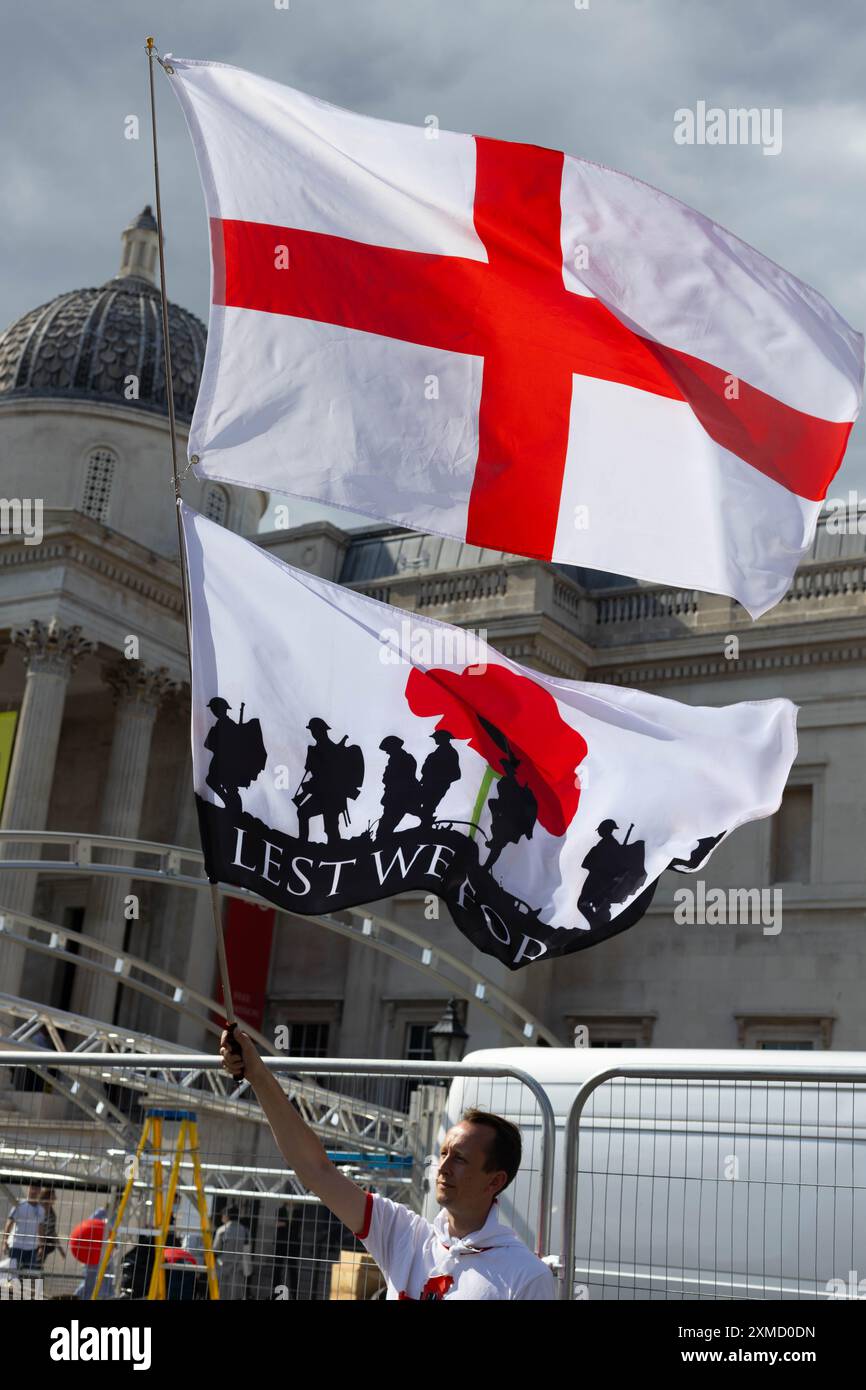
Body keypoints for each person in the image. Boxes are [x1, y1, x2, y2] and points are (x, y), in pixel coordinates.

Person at [219, 1029, 554, 1301]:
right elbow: (316, 1170)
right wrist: (259, 1076)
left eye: (461, 1158)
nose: (443, 1166)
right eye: (443, 1153)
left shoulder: (525, 1276)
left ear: (494, 1182)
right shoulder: (403, 1233)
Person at [418, 730, 461, 826]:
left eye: (437, 737)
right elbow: (425, 770)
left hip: (437, 787)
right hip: (428, 785)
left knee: (428, 807)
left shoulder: (450, 753)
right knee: (422, 806)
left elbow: (456, 774)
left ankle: (426, 825)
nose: (435, 739)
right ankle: (425, 823)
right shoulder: (435, 754)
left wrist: (439, 780)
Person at [2, 1183, 45, 1274]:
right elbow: (9, 1222)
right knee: (12, 1273)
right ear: (28, 1189)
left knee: (28, 1274)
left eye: (37, 1188)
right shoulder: (18, 1204)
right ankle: (11, 1289)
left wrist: (41, 1245)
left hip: (31, 1248)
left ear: (40, 1191)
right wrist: (5, 1241)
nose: (34, 1191)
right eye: (32, 1187)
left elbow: (40, 1227)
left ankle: (24, 1288)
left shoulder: (41, 1210)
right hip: (16, 1246)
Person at [212, 1206, 252, 1300]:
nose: (221, 1217)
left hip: (222, 1267)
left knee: (220, 1295)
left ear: (227, 1215)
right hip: (238, 1269)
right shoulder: (246, 1231)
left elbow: (215, 1249)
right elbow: (248, 1250)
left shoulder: (222, 1230)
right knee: (235, 1296)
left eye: (223, 1214)